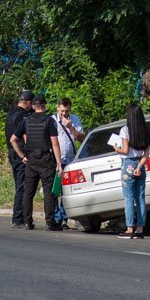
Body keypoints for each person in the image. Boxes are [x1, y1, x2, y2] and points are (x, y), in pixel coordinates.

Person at [9, 93, 63, 231]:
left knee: (28, 192)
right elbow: (55, 144)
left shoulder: (26, 121)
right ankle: (50, 223)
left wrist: (22, 156)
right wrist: (59, 163)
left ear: (33, 106)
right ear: (44, 106)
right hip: (46, 160)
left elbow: (13, 139)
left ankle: (28, 222)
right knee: (48, 193)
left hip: (31, 161)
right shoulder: (50, 121)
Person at [112, 103, 150, 239]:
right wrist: (139, 167)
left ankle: (129, 228)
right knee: (141, 197)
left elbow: (125, 150)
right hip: (141, 164)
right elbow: (147, 153)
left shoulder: (125, 130)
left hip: (128, 164)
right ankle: (140, 229)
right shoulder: (145, 130)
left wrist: (117, 149)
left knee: (129, 197)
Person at [52, 98, 85, 229]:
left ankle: (64, 218)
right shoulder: (52, 121)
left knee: (66, 191)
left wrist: (71, 127)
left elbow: (82, 138)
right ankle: (56, 217)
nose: (64, 114)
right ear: (57, 108)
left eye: (67, 111)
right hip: (56, 160)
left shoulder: (74, 120)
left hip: (70, 160)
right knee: (55, 190)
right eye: (62, 111)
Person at [6, 90, 33, 227]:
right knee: (22, 187)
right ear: (28, 102)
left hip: (12, 154)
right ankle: (17, 218)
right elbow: (23, 136)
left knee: (20, 185)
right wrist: (24, 154)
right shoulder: (23, 116)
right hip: (19, 154)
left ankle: (19, 217)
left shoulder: (11, 113)